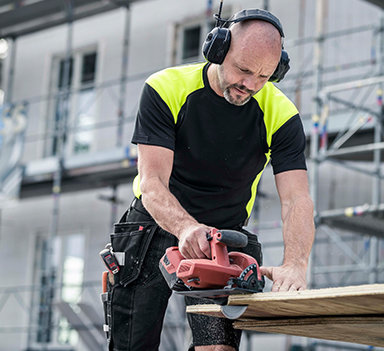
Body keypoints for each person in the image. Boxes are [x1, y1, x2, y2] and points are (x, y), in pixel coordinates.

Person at [105, 8, 315, 351]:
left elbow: (297, 199)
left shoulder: (282, 114)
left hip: (224, 237)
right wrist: (186, 227)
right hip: (154, 227)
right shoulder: (166, 89)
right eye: (244, 70)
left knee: (217, 347)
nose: (250, 85)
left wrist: (295, 264)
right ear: (218, 50)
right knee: (132, 345)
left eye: (264, 76)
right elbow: (152, 183)